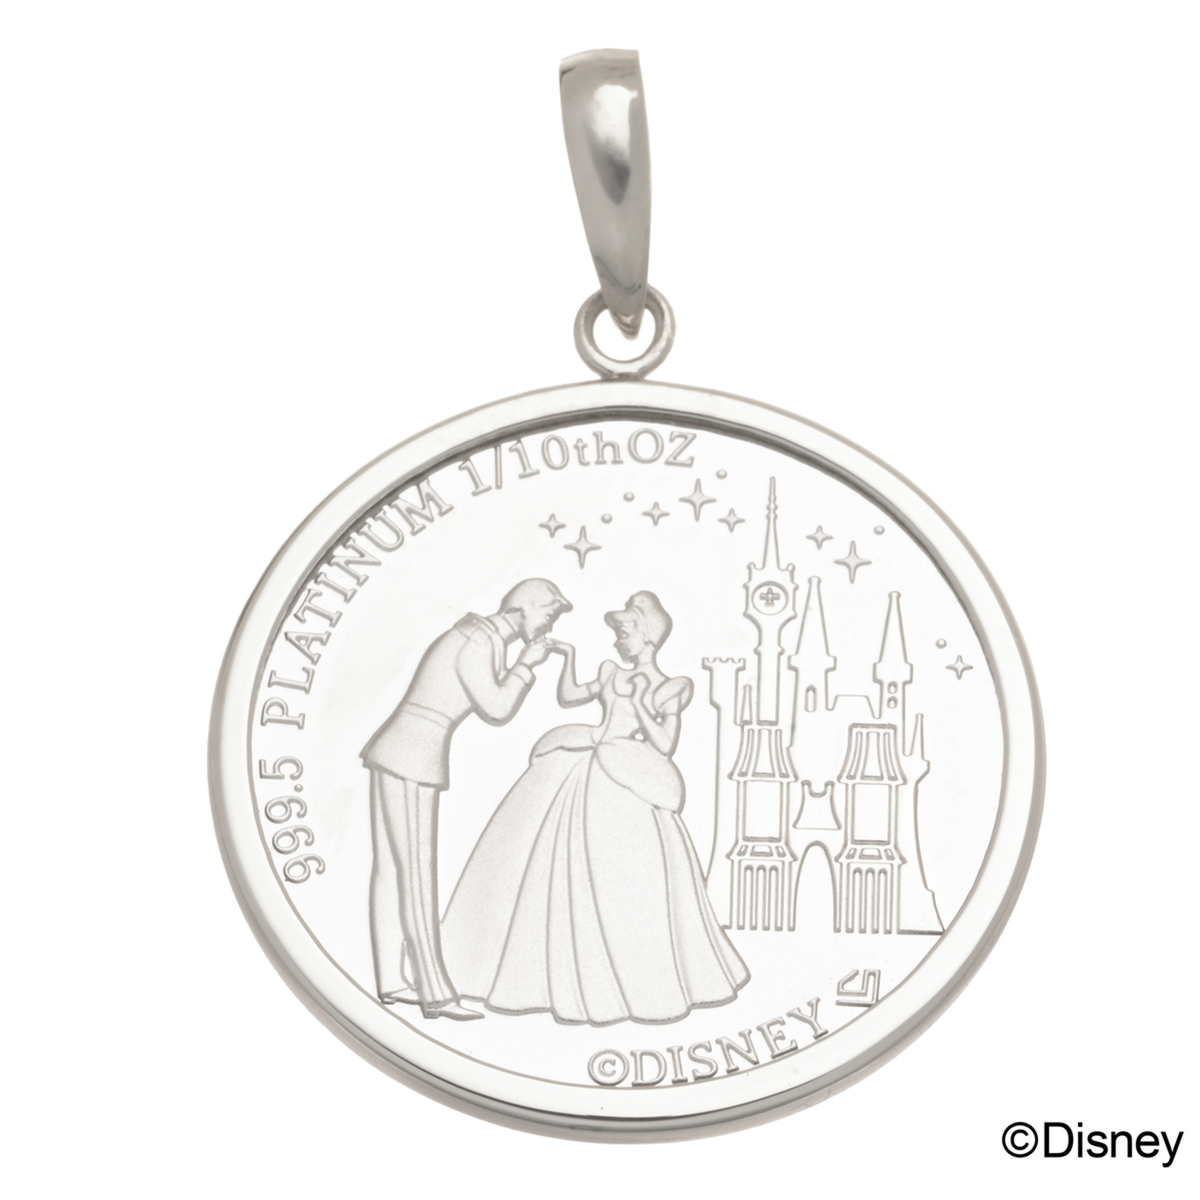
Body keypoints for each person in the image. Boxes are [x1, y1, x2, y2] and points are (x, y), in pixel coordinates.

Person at [440, 592, 749, 1025]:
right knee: (543, 859)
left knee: (621, 876)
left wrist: (640, 703)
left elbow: (664, 744)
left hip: (629, 771)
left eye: (624, 633)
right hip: (584, 758)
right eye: (617, 634)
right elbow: (570, 696)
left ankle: (634, 980)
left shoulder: (672, 687)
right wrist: (567, 657)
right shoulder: (609, 672)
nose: (618, 641)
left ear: (647, 635)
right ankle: (532, 973)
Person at [362, 579, 571, 1019]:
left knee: (392, 870)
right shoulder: (478, 641)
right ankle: (435, 994)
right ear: (524, 608)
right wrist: (525, 666)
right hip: (412, 755)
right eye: (548, 614)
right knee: (415, 874)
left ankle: (391, 982)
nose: (549, 624)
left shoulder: (478, 635)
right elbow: (496, 707)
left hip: (400, 750)